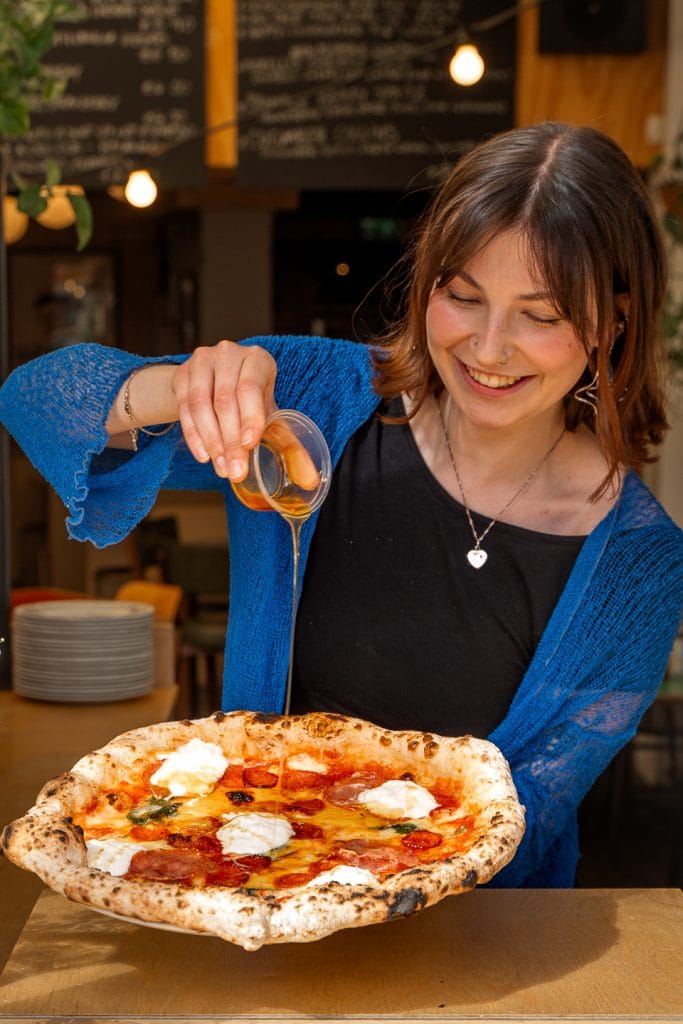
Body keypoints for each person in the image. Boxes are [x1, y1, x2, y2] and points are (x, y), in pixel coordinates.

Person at [1, 121, 681, 889]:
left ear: (612, 321)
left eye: (542, 314)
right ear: (425, 283)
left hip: (469, 953)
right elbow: (32, 401)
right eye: (461, 296)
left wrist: (335, 872)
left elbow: (519, 818)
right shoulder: (315, 403)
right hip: (244, 892)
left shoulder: (637, 564)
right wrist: (183, 385)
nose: (489, 349)